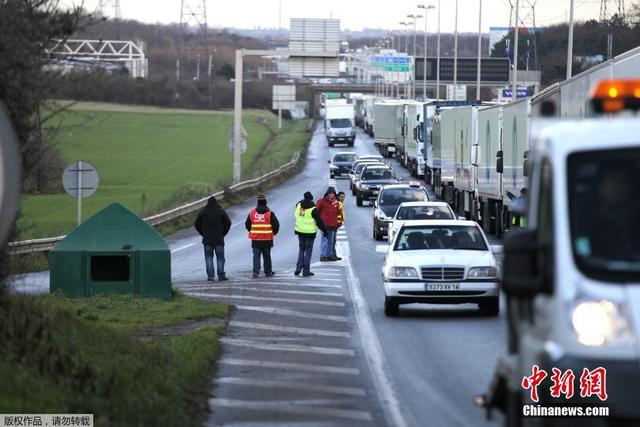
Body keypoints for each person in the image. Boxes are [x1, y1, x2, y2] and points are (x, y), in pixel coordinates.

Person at [194, 196, 231, 281]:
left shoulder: (203, 211)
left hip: (207, 239)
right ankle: (221, 275)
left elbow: (196, 224)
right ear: (216, 203)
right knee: (220, 258)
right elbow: (228, 223)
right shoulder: (220, 211)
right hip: (219, 239)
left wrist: (202, 233)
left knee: (208, 257)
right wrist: (223, 233)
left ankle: (211, 276)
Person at [245, 194, 280, 278]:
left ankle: (255, 272)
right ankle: (268, 272)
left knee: (256, 256)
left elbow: (247, 224)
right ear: (265, 202)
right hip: (267, 239)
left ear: (257, 202)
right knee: (267, 256)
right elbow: (276, 225)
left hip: (256, 239)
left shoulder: (252, 213)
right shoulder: (270, 214)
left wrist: (253, 231)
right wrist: (273, 233)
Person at [294, 191, 327, 276]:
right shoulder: (313, 209)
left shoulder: (300, 205)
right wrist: (324, 230)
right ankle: (306, 270)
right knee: (308, 251)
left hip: (300, 231)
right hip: (310, 233)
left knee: (301, 249)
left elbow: (299, 215)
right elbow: (319, 222)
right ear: (311, 199)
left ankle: (298, 267)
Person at [316, 186, 341, 262]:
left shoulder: (336, 202)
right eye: (330, 193)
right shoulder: (321, 201)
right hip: (325, 225)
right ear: (327, 194)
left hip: (333, 225)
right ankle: (323, 256)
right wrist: (319, 222)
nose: (331, 195)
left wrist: (338, 223)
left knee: (332, 241)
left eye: (332, 193)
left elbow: (339, 213)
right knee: (325, 240)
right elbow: (316, 211)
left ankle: (330, 255)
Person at [334, 191, 347, 256]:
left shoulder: (340, 203)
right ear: (338, 196)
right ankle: (331, 254)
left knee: (333, 240)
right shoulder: (338, 203)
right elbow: (338, 214)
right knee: (332, 240)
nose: (343, 198)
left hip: (336, 224)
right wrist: (339, 222)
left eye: (344, 197)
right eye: (341, 197)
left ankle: (333, 254)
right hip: (334, 224)